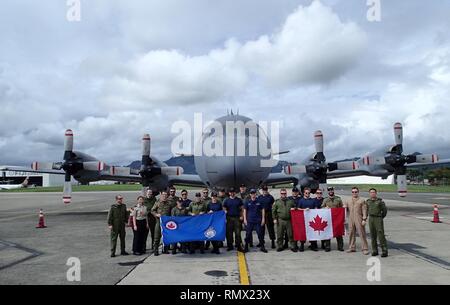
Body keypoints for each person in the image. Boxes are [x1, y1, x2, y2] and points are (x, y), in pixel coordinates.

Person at [345, 187, 369, 255]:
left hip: (359, 218)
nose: (354, 193)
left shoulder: (362, 200)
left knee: (362, 233)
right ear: (351, 192)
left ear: (358, 192)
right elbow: (345, 210)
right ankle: (352, 247)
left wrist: (364, 219)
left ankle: (365, 248)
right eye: (353, 192)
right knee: (351, 233)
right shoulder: (348, 200)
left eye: (355, 192)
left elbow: (364, 210)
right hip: (351, 218)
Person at [297, 187, 321, 252]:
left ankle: (313, 245)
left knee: (313, 232)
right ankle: (302, 245)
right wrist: (304, 210)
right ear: (304, 193)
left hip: (311, 220)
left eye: (308, 193)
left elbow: (315, 208)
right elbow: (298, 209)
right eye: (306, 193)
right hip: (303, 220)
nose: (307, 194)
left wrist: (315, 209)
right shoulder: (301, 200)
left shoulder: (313, 200)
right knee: (303, 232)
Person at [321, 187, 344, 252]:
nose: (330, 191)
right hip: (328, 218)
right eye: (329, 190)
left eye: (331, 190)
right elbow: (322, 207)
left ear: (333, 190)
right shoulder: (325, 200)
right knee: (328, 232)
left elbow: (341, 208)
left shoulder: (338, 199)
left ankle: (340, 246)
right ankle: (327, 246)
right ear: (328, 192)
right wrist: (325, 208)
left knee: (339, 232)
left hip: (337, 218)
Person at [367, 188, 388, 257]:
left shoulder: (380, 201)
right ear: (369, 193)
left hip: (378, 218)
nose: (372, 193)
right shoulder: (368, 201)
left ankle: (384, 250)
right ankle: (375, 250)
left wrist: (381, 217)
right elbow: (367, 209)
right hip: (371, 218)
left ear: (376, 193)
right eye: (371, 192)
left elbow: (384, 210)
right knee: (372, 235)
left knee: (380, 234)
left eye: (373, 192)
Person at [151, 190, 173, 256]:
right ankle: (156, 250)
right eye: (163, 195)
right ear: (161, 195)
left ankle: (165, 249)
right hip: (159, 221)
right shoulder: (157, 202)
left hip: (166, 223)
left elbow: (172, 212)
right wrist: (156, 214)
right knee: (157, 236)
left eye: (166, 195)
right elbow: (152, 210)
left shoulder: (169, 203)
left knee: (166, 236)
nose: (164, 196)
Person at [222, 187, 244, 252]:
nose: (232, 193)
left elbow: (242, 208)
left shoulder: (239, 200)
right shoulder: (226, 200)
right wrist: (225, 212)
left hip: (237, 218)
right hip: (229, 218)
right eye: (231, 192)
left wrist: (242, 216)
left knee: (238, 233)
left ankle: (238, 246)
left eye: (233, 192)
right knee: (229, 233)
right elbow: (223, 207)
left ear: (235, 193)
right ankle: (230, 246)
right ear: (229, 193)